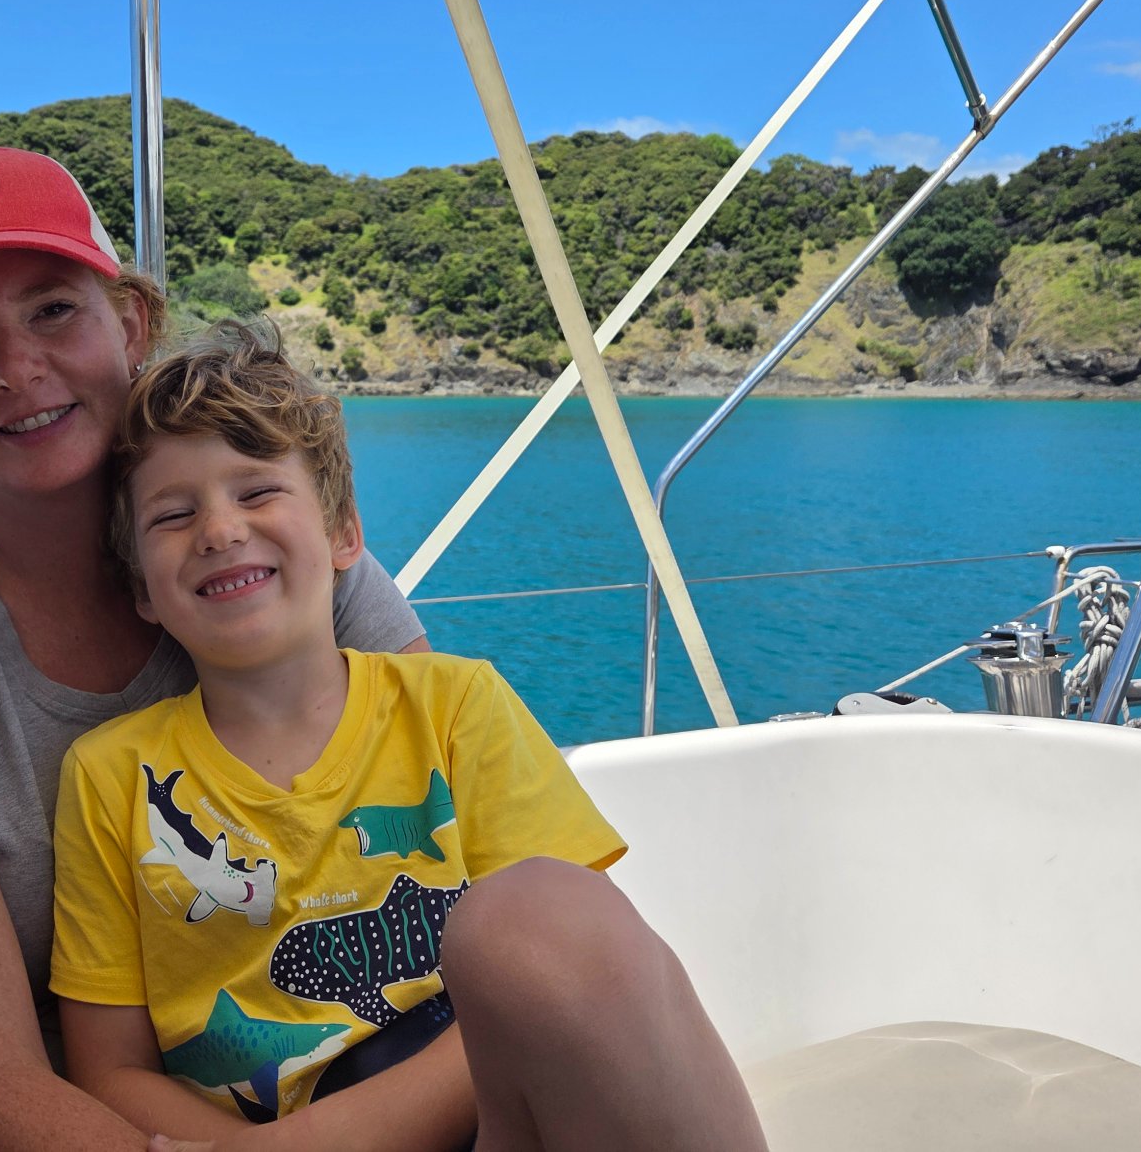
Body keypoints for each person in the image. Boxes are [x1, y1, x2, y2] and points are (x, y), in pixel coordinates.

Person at [0, 145, 430, 1152]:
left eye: (52, 310)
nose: (13, 369)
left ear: (128, 325)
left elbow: (463, 857)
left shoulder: (285, 570)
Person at [51, 321, 768, 1152]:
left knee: (547, 909)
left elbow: (578, 972)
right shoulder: (109, 776)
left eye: (255, 493)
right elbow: (109, 1072)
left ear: (344, 535)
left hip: (492, 1119)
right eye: (173, 514)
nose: (218, 530)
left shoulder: (457, 705)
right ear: (139, 589)